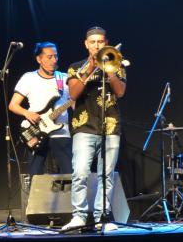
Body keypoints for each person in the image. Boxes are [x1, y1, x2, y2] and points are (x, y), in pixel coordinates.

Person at [62, 27, 127, 231]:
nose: (96, 45)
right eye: (93, 42)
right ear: (86, 44)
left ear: (106, 43)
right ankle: (79, 216)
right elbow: (73, 93)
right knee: (80, 172)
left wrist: (109, 70)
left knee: (106, 176)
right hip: (84, 127)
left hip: (110, 126)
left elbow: (120, 92)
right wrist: (90, 68)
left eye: (100, 42)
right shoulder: (75, 67)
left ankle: (102, 217)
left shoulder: (115, 64)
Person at [8, 42, 73, 177]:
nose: (54, 60)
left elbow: (74, 104)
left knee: (70, 174)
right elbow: (13, 105)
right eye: (49, 57)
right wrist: (27, 113)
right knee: (36, 176)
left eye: (56, 56)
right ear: (39, 59)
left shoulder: (65, 78)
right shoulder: (29, 78)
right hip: (36, 132)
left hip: (61, 132)